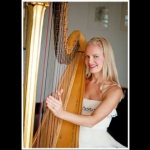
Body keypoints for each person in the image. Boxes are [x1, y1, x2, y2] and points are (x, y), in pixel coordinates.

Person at [45, 37, 127, 148]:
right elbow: (61, 111)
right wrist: (54, 102)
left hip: (94, 144)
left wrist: (61, 113)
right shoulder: (78, 82)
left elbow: (91, 121)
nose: (90, 61)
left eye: (95, 56)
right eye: (87, 56)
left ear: (106, 58)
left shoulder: (114, 90)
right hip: (68, 138)